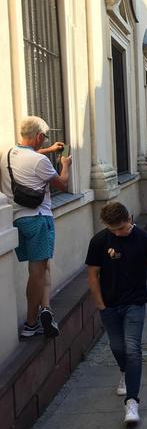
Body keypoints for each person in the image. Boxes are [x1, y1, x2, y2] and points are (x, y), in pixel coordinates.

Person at [85, 202, 147, 424]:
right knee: (117, 347)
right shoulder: (99, 241)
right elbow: (92, 275)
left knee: (133, 348)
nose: (119, 233)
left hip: (135, 302)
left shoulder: (143, 239)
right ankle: (125, 372)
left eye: (122, 227)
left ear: (130, 217)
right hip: (109, 304)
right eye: (114, 229)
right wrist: (100, 304)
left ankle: (132, 402)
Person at [0, 116, 70, 337]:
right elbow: (63, 184)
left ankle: (45, 309)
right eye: (44, 139)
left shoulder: (8, 155)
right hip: (39, 218)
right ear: (39, 136)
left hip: (17, 220)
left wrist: (48, 149)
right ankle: (31, 324)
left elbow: (28, 160)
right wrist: (65, 166)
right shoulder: (41, 162)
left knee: (42, 267)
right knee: (37, 272)